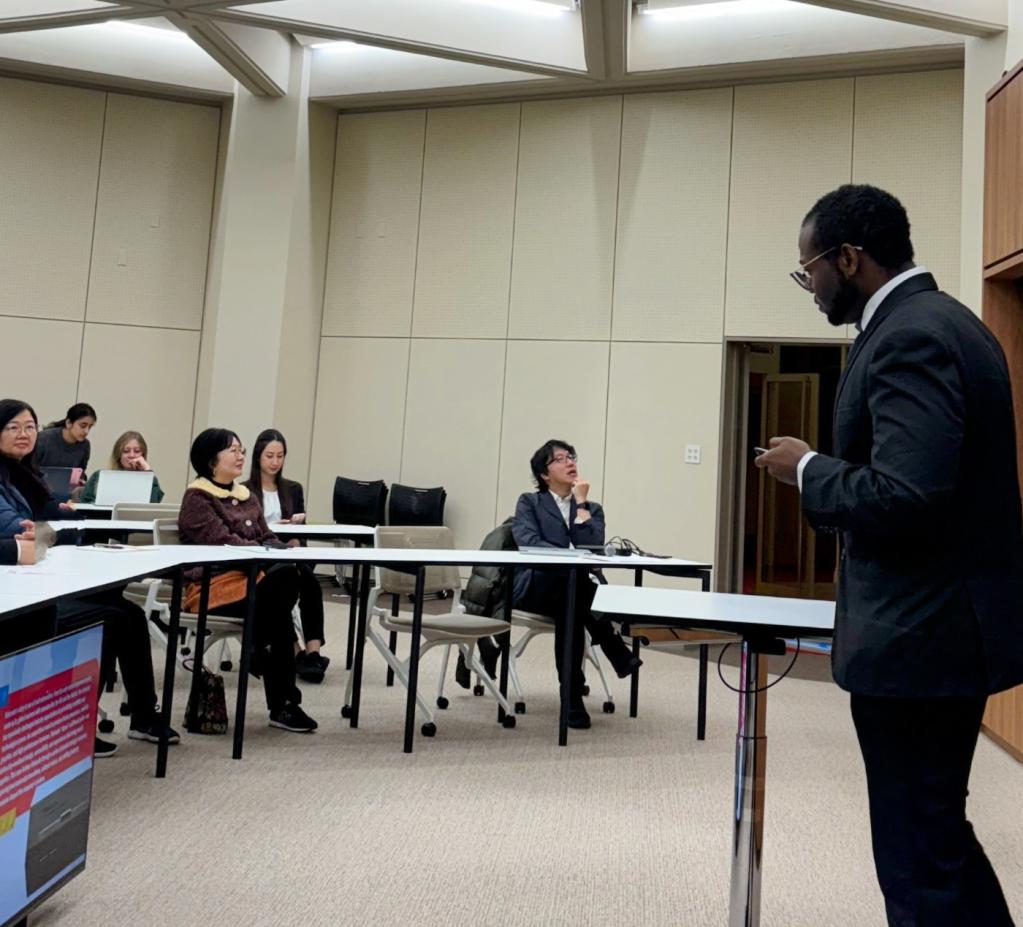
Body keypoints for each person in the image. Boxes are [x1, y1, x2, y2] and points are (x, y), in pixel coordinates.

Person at [756, 184, 1023, 927]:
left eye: (809, 270)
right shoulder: (954, 323)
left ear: (848, 258)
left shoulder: (910, 336)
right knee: (936, 837)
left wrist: (808, 468)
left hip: (919, 640)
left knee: (915, 859)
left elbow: (909, 493)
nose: (809, 286)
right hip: (943, 634)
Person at [0, 398, 179, 756]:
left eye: (30, 427)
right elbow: (15, 529)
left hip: (41, 580)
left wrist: (56, 527)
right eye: (14, 427)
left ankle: (144, 715)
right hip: (20, 596)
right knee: (111, 617)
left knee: (130, 612)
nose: (24, 434)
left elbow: (54, 522)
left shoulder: (24, 475)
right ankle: (75, 728)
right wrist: (56, 531)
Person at [177, 428, 317, 733]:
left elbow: (266, 535)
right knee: (280, 602)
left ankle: (258, 651)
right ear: (211, 460)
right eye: (233, 450)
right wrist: (269, 551)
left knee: (291, 583)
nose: (241, 456)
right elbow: (226, 545)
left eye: (241, 450)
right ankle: (283, 706)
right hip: (214, 588)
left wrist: (279, 549)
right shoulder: (197, 498)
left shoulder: (245, 496)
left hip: (254, 583)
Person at [512, 439, 641, 730]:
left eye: (571, 456)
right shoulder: (530, 502)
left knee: (570, 603)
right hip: (537, 586)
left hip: (571, 592)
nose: (570, 462)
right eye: (560, 459)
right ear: (544, 474)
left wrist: (580, 504)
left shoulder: (591, 508)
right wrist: (571, 559)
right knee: (573, 588)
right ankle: (614, 648)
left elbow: (592, 546)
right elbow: (529, 543)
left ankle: (572, 700)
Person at [243, 428, 329, 684]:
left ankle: (313, 652)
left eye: (280, 456)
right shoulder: (244, 491)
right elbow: (245, 532)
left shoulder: (293, 489)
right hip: (261, 556)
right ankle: (295, 651)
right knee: (280, 589)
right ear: (258, 457)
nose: (275, 462)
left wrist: (295, 533)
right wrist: (272, 529)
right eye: (269, 456)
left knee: (310, 581)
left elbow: (302, 535)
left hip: (289, 552)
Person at [80, 430, 166, 504]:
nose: (132, 455)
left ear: (143, 454)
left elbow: (153, 506)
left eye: (137, 451)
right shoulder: (99, 476)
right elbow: (85, 505)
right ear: (118, 454)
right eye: (126, 451)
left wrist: (148, 471)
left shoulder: (150, 480)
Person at [34, 402, 96, 487]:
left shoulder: (85, 445)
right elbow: (28, 469)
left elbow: (80, 472)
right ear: (69, 423)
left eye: (90, 427)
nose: (86, 431)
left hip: (66, 490)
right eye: (83, 426)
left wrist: (81, 481)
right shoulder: (44, 439)